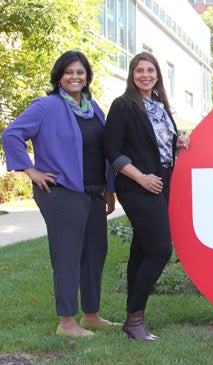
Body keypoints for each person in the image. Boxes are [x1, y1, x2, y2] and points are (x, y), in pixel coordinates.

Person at [2, 51, 118, 337]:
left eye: (80, 72)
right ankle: (67, 322)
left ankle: (90, 315)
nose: (75, 77)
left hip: (92, 192)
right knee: (67, 254)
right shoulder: (46, 106)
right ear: (59, 77)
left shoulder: (94, 109)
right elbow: (11, 134)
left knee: (95, 252)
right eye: (69, 72)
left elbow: (102, 151)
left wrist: (109, 189)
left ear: (87, 77)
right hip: (60, 192)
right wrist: (31, 170)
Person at [103, 52, 190, 342]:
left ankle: (133, 319)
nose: (145, 75)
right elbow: (112, 150)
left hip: (162, 182)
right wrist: (140, 177)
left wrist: (177, 142)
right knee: (160, 250)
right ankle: (135, 319)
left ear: (157, 75)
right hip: (137, 185)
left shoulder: (159, 106)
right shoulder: (123, 105)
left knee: (142, 250)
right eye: (139, 70)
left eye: (150, 70)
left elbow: (154, 145)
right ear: (132, 74)